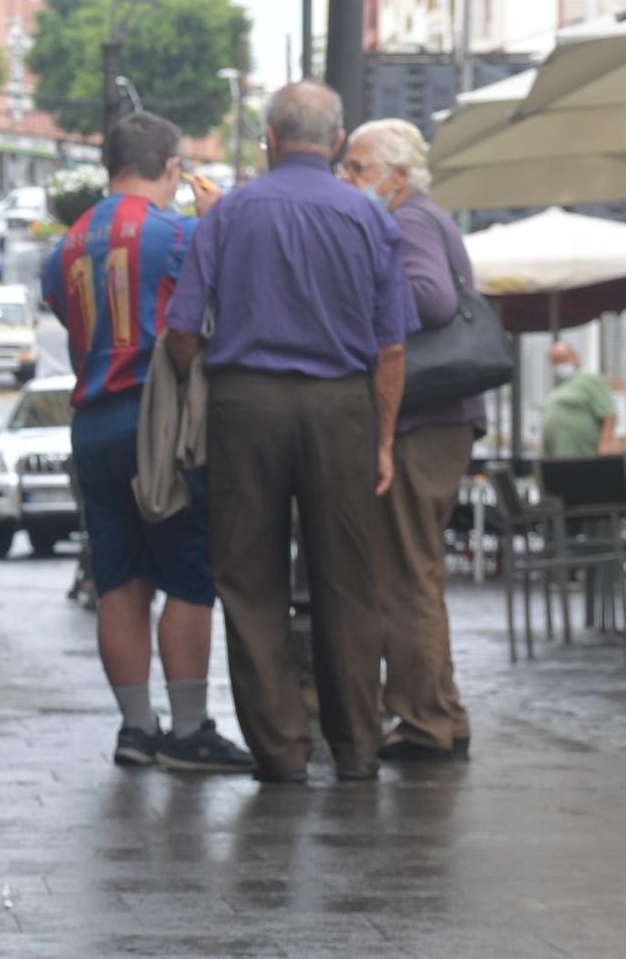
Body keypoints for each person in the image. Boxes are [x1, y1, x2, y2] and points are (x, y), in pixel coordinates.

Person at [166, 82, 416, 784]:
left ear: (270, 140)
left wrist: (197, 380)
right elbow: (391, 349)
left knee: (249, 580)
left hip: (247, 408)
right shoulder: (370, 220)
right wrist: (385, 439)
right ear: (336, 142)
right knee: (348, 583)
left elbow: (182, 330)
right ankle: (359, 747)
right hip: (343, 409)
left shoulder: (230, 213)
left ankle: (280, 751)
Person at [40, 111, 255, 774]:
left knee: (119, 582)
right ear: (171, 169)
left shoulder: (64, 249)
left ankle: (136, 730)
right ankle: (189, 730)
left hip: (92, 422)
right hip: (160, 422)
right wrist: (221, 218)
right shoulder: (179, 233)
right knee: (189, 575)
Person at [341, 119, 482, 763]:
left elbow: (429, 300)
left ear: (398, 176)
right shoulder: (426, 216)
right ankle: (441, 709)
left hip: (425, 420)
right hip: (442, 419)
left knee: (407, 572)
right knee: (417, 566)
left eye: (359, 168)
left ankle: (425, 720)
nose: (348, 178)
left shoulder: (411, 221)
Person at [541, 341, 619, 458]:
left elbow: (609, 414)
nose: (559, 365)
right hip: (559, 457)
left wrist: (604, 450)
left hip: (585, 457)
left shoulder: (589, 378)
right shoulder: (560, 386)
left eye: (562, 359)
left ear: (576, 358)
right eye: (555, 362)